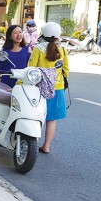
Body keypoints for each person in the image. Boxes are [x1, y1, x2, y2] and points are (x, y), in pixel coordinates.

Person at [28, 22, 69, 154]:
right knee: (51, 119)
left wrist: (19, 84)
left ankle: (31, 146)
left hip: (39, 88)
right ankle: (46, 146)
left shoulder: (38, 48)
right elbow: (66, 68)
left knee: (35, 116)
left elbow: (30, 68)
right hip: (57, 87)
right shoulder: (62, 48)